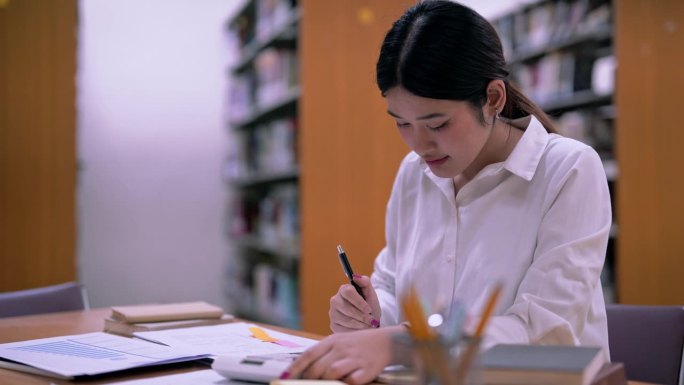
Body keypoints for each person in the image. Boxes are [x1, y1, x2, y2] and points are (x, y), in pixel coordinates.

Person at [284, 1, 611, 384]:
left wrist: (399, 343)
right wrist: (372, 313)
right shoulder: (414, 174)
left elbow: (542, 330)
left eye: (436, 124)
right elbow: (393, 286)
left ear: (492, 99)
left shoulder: (568, 169)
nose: (419, 145)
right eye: (402, 123)